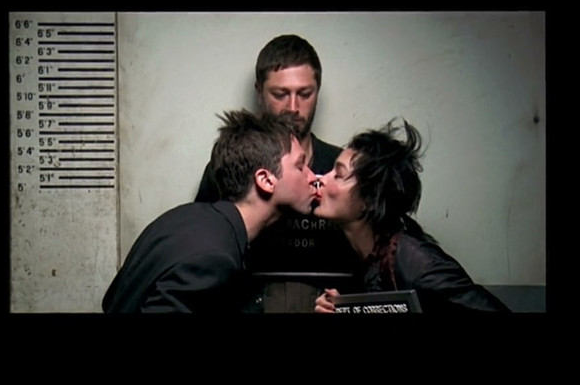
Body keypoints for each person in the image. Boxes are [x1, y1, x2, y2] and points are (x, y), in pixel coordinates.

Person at [194, 34, 358, 311]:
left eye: (305, 94)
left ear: (318, 91)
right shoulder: (231, 165)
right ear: (259, 92)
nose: (293, 107)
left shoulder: (340, 169)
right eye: (280, 94)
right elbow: (203, 249)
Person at [103, 110, 319, 313]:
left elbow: (112, 299)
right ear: (266, 180)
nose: (313, 177)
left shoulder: (184, 217)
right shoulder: (215, 258)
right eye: (300, 166)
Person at [312, 119, 510, 313]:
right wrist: (343, 307)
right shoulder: (357, 255)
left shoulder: (415, 261)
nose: (321, 178)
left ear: (369, 200)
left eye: (338, 174)